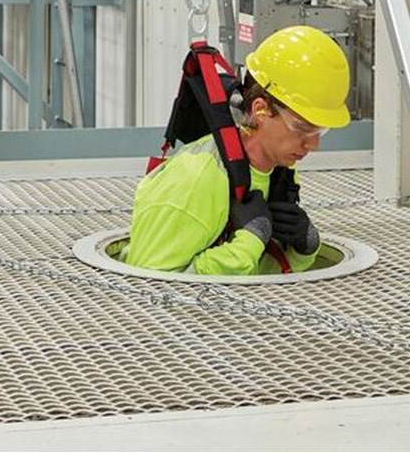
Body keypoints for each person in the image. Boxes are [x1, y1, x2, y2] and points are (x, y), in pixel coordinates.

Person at [124, 25, 349, 275]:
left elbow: (265, 274)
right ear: (260, 110)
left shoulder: (279, 172)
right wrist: (249, 243)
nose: (313, 145)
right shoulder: (196, 180)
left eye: (320, 131)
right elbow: (147, 289)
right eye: (301, 128)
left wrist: (302, 250)